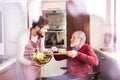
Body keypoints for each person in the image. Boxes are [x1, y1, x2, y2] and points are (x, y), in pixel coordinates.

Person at [17, 16, 49, 80]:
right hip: (27, 65)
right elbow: (19, 58)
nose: (46, 31)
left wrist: (50, 51)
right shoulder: (23, 36)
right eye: (45, 29)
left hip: (37, 66)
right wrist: (31, 63)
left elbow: (42, 49)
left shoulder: (41, 35)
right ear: (37, 27)